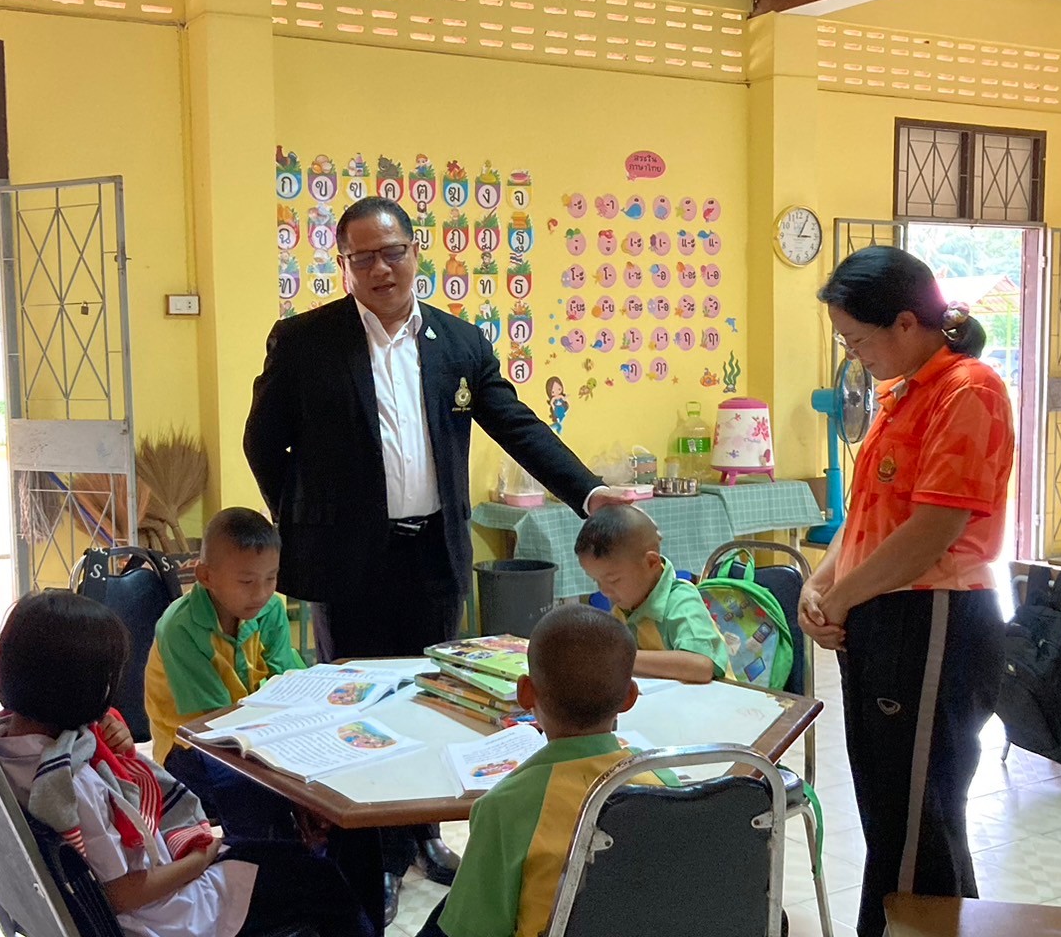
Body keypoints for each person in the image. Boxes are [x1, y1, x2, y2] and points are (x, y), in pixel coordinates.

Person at [244, 196, 626, 906]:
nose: (380, 268)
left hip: (433, 556)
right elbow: (263, 443)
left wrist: (588, 490)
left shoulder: (458, 342)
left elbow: (516, 423)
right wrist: (302, 519)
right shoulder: (304, 342)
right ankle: (373, 856)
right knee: (362, 707)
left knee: (435, 696)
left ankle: (420, 837)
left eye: (392, 252)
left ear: (414, 252)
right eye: (363, 257)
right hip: (349, 561)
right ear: (344, 265)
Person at [800, 246, 1014, 937]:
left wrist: (842, 599)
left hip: (932, 618)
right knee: (894, 814)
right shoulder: (904, 394)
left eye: (857, 340)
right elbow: (869, 512)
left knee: (918, 814)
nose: (854, 355)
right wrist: (821, 581)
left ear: (903, 322)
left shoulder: (968, 390)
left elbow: (933, 529)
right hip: (885, 614)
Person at [0, 590, 376, 937]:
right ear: (79, 693)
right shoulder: (72, 785)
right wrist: (200, 858)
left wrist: (107, 735)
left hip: (155, 890)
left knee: (289, 859)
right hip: (167, 913)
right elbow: (120, 894)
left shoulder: (3, 742)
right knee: (323, 881)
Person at [417, 604, 674, 937]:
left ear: (525, 693)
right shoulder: (662, 780)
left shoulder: (504, 807)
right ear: (629, 698)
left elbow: (474, 928)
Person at [144, 506, 305, 838]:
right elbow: (214, 724)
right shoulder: (180, 628)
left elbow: (286, 686)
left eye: (271, 578)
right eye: (246, 581)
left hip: (257, 729)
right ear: (206, 576)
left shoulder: (270, 610)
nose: (261, 593)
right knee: (249, 786)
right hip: (193, 745)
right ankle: (254, 855)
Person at [575, 504, 729, 683]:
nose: (604, 590)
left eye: (613, 580)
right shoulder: (626, 604)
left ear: (651, 563)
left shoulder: (680, 601)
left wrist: (621, 658)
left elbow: (701, 666)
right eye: (596, 580)